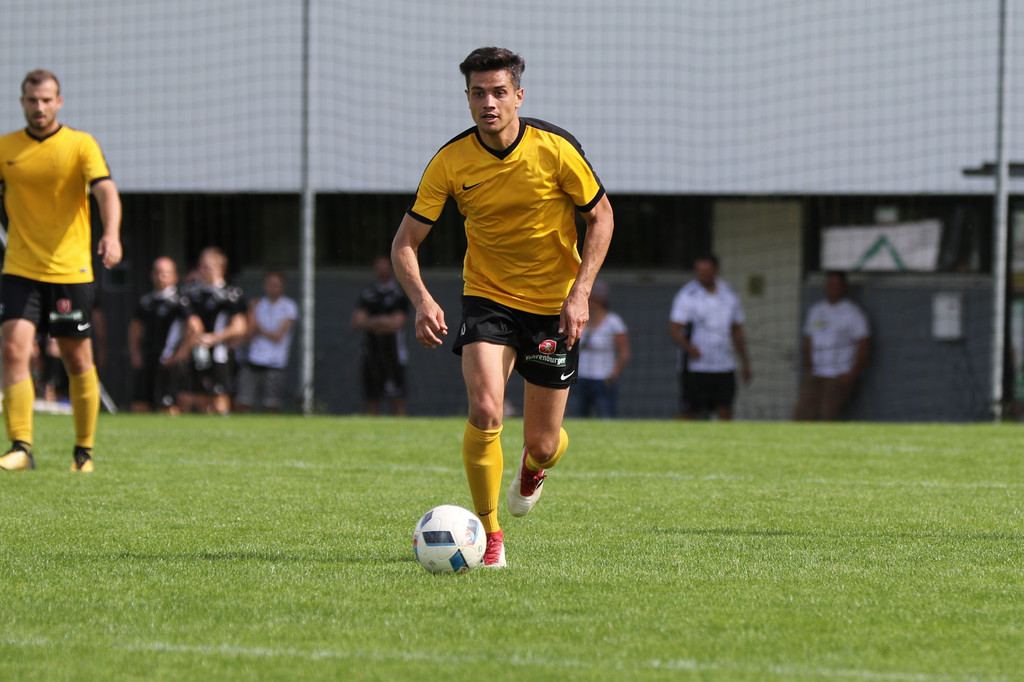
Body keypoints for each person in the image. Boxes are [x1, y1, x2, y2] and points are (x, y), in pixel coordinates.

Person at [391, 47, 614, 568]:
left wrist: (580, 293)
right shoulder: (450, 161)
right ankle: (490, 536)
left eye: (498, 92)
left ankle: (533, 469)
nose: (488, 103)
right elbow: (404, 243)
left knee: (543, 443)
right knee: (487, 409)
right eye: (478, 93)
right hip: (487, 297)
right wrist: (422, 300)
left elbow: (601, 217)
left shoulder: (555, 149)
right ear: (467, 99)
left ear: (518, 95)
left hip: (554, 305)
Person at [0, 69, 122, 472]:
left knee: (76, 357)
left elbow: (105, 190)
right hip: (20, 268)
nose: (39, 107)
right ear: (22, 102)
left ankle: (83, 452)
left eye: (46, 100)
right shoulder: (5, 148)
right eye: (32, 100)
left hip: (70, 271)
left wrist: (112, 234)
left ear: (59, 102)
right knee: (12, 350)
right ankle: (21, 447)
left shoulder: (80, 144)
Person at [669, 254, 751, 420]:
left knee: (725, 411)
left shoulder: (729, 294)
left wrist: (745, 362)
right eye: (699, 271)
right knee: (691, 412)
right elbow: (675, 330)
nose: (702, 275)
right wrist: (689, 349)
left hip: (723, 365)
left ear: (716, 271)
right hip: (695, 367)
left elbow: (737, 331)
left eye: (706, 271)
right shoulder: (687, 295)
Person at [178, 247, 247, 415]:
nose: (203, 271)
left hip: (220, 353)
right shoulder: (190, 293)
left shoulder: (231, 294)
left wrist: (214, 338)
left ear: (220, 268)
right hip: (197, 351)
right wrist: (186, 347)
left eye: (207, 267)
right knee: (199, 396)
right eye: (201, 267)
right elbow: (189, 323)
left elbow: (240, 326)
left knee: (219, 397)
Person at [794, 271, 870, 421]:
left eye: (836, 284)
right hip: (816, 373)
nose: (832, 288)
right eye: (830, 284)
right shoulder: (816, 310)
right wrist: (809, 368)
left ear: (843, 287)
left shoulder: (852, 312)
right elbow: (808, 339)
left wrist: (854, 373)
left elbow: (863, 343)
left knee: (828, 415)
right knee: (802, 414)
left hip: (838, 374)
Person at [128, 256, 193, 414]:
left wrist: (180, 354)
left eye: (165, 273)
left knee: (168, 405)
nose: (161, 277)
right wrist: (135, 353)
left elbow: (195, 327)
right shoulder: (146, 302)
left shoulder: (181, 302)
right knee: (140, 404)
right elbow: (135, 329)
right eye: (157, 273)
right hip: (148, 357)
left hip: (168, 359)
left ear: (174, 276)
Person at [351, 255, 410, 416]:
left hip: (393, 354)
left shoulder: (399, 293)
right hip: (371, 352)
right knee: (372, 399)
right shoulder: (368, 293)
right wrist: (382, 322)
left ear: (391, 268)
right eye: (379, 268)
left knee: (396, 399)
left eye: (385, 267)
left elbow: (397, 323)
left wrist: (371, 321)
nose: (382, 271)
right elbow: (357, 321)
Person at [236, 269, 298, 413]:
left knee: (271, 404)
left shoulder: (289, 307)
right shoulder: (257, 305)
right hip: (254, 359)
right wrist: (250, 314)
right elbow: (248, 335)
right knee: (244, 401)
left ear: (282, 286)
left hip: (275, 362)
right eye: (270, 284)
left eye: (277, 285)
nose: (273, 288)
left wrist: (259, 329)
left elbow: (278, 336)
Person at [575, 280, 630, 418]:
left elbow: (624, 353)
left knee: (606, 416)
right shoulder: (579, 320)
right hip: (581, 377)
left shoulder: (614, 322)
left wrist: (612, 376)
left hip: (603, 378)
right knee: (579, 416)